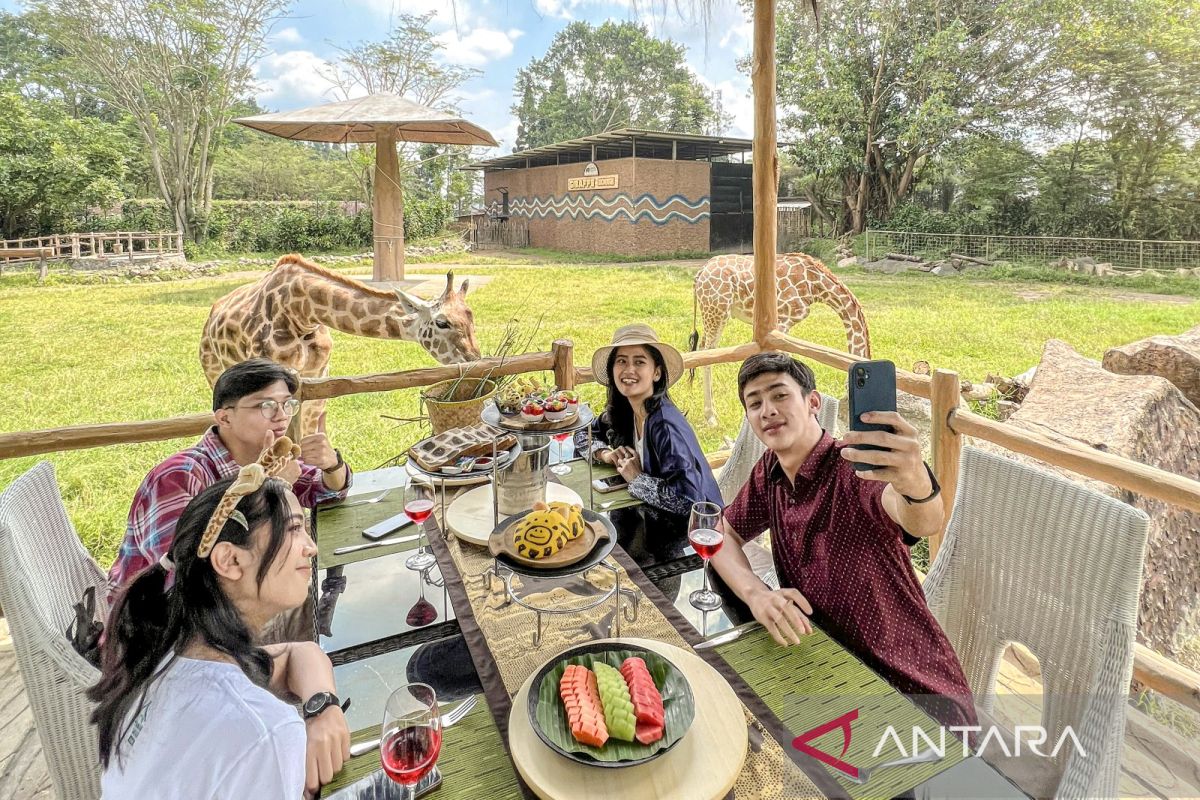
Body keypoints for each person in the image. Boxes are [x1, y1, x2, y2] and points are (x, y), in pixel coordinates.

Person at [710, 351, 976, 729]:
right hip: (827, 669)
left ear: (813, 403)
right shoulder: (770, 470)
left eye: (780, 395)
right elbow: (723, 532)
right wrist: (756, 594)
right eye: (755, 403)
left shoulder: (854, 468)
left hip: (910, 691)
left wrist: (914, 480)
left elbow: (923, 518)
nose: (767, 409)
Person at [91, 440, 351, 798]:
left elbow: (297, 653)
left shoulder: (161, 656)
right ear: (229, 561)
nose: (311, 546)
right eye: (292, 530)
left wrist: (323, 707)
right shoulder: (264, 731)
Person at [107, 358, 351, 601]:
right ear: (224, 418)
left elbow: (325, 491)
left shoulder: (267, 460)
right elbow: (186, 575)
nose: (281, 416)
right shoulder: (178, 478)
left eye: (287, 404)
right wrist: (273, 491)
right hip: (155, 621)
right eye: (265, 405)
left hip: (237, 607)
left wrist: (332, 464)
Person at [575, 324, 722, 522]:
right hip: (649, 522)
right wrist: (607, 455)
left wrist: (636, 478)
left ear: (657, 373)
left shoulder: (666, 427)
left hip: (696, 535)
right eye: (621, 361)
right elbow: (582, 434)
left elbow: (689, 501)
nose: (629, 370)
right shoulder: (625, 410)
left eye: (639, 362)